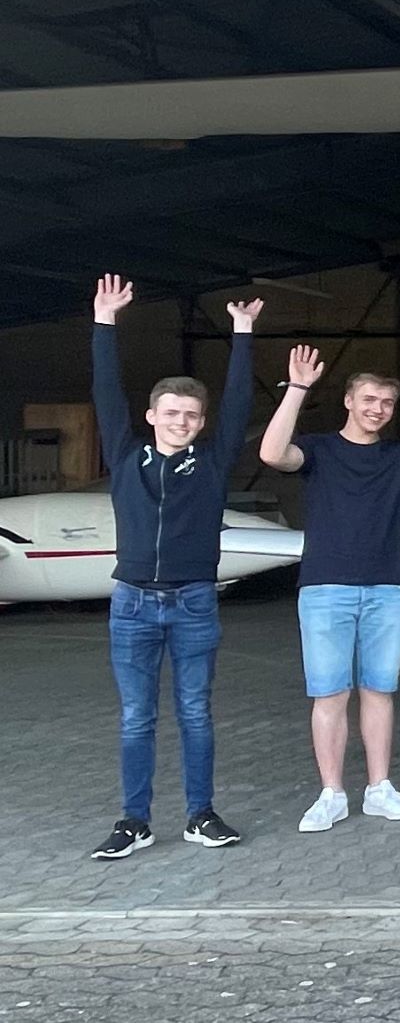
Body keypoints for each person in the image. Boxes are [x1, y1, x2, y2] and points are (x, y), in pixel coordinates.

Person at [258, 343, 400, 831]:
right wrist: (298, 389)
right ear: (349, 402)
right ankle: (331, 792)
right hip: (325, 588)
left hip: (387, 588)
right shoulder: (318, 449)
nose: (378, 409)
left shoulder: (398, 456)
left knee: (379, 691)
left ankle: (379, 788)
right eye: (369, 399)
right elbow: (272, 453)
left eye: (388, 403)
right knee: (330, 695)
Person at [86, 276, 262, 861]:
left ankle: (200, 814)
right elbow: (104, 391)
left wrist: (242, 333)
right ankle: (134, 821)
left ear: (201, 421)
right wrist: (104, 322)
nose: (181, 421)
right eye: (171, 412)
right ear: (151, 414)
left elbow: (239, 403)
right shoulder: (124, 452)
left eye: (191, 414)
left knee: (194, 712)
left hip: (192, 601)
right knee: (137, 717)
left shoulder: (211, 462)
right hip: (132, 602)